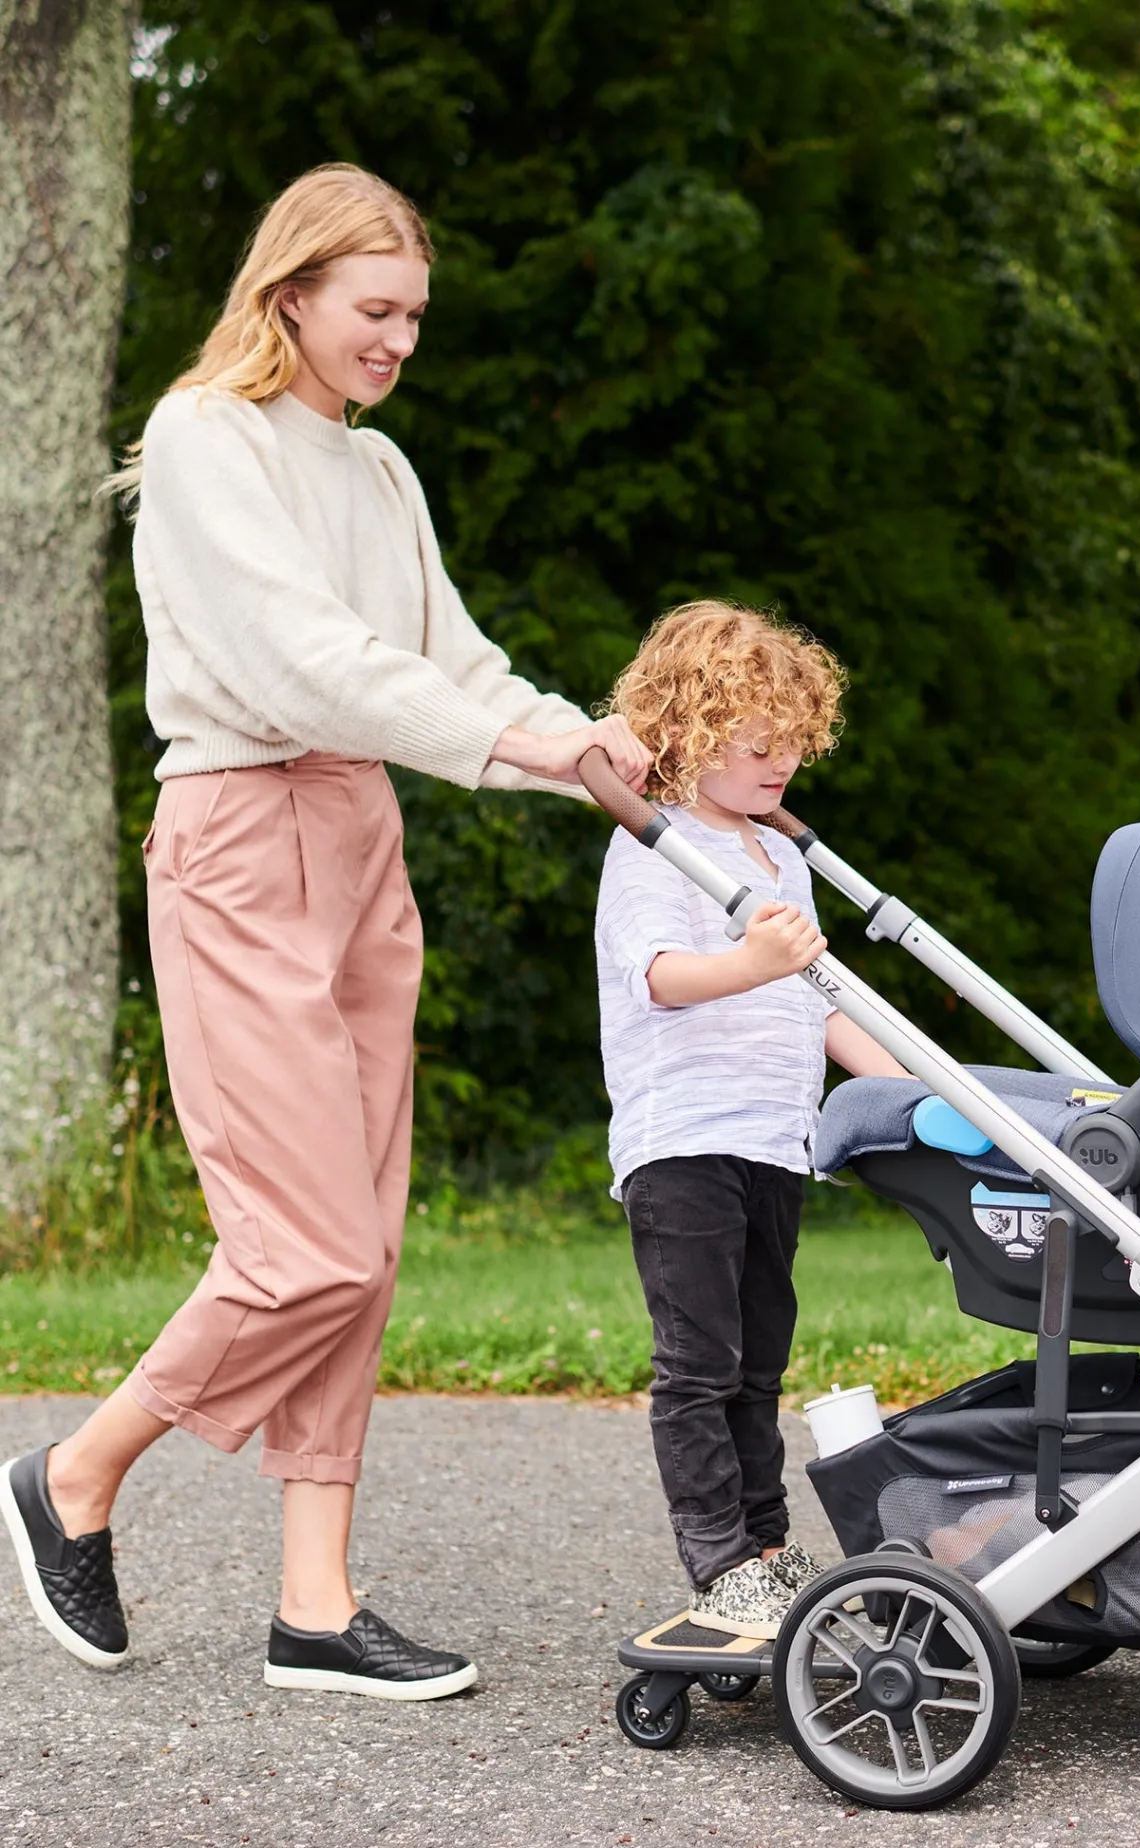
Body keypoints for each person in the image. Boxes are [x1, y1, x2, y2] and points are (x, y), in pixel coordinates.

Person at [0, 163, 651, 1700]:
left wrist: (588, 748)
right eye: (375, 310)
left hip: (361, 836)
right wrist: (529, 750)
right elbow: (306, 662)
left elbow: (453, 661)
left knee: (366, 1244)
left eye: (415, 316)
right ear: (288, 294)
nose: (399, 340)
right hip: (239, 832)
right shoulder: (204, 437)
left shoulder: (378, 472)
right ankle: (76, 1472)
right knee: (307, 1248)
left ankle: (315, 1602)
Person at [596, 601, 908, 1636]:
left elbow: (822, 1002)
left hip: (775, 1140)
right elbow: (661, 978)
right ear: (690, 734)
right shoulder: (658, 847)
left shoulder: (784, 859)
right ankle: (721, 1558)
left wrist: (906, 1093)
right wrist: (753, 961)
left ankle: (767, 1546)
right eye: (759, 744)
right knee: (700, 1362)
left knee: (760, 1358)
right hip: (683, 1140)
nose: (784, 763)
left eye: (795, 743)